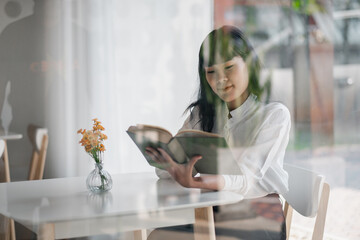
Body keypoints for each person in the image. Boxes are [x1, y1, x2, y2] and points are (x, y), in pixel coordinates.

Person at [146, 25, 290, 239]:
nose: (220, 79)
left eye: (229, 67)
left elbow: (246, 178)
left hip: (260, 215)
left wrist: (196, 182)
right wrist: (166, 160)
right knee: (157, 235)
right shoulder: (202, 114)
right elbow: (166, 173)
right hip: (215, 209)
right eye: (211, 72)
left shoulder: (274, 115)